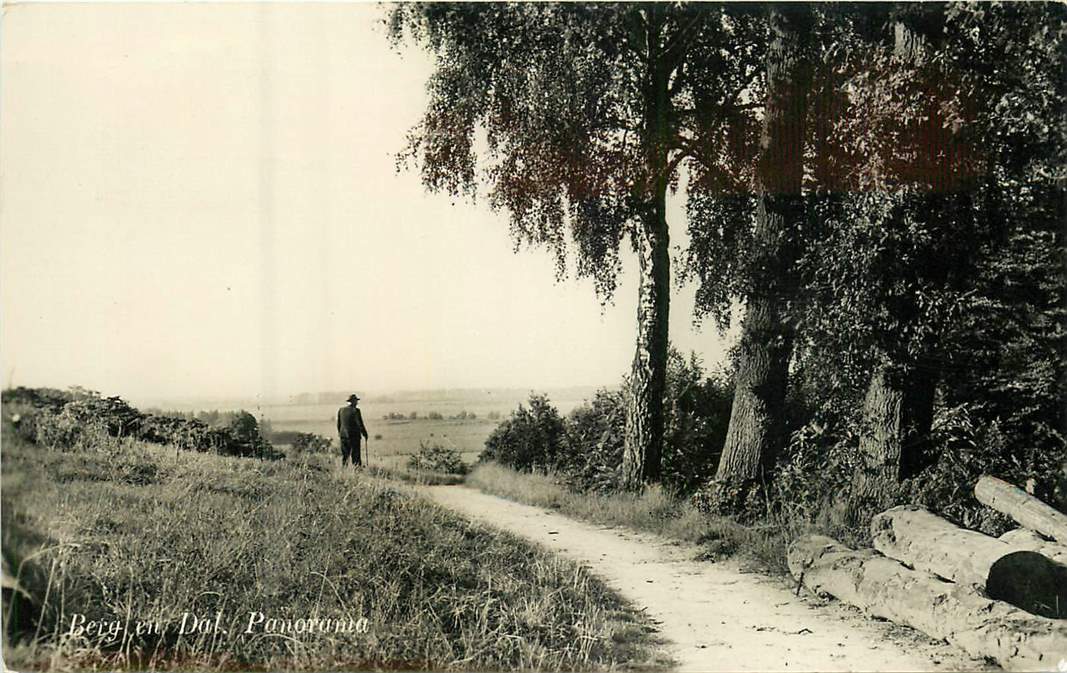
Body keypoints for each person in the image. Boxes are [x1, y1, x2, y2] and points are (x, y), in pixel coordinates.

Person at [337, 394, 369, 468]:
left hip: (343, 436)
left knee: (345, 456)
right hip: (354, 437)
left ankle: (344, 471)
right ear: (354, 401)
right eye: (356, 401)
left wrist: (340, 434)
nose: (357, 403)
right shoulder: (356, 411)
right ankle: (357, 472)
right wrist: (365, 434)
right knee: (356, 456)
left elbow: (339, 424)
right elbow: (360, 424)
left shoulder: (341, 410)